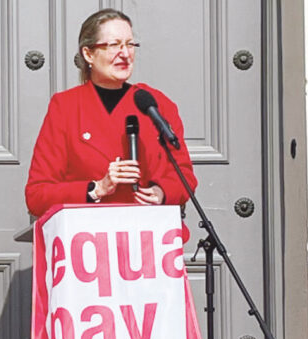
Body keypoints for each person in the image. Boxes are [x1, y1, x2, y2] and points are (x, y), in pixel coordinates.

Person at [25, 9, 197, 218]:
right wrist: (97, 188)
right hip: (89, 237)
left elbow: (184, 175)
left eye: (130, 44)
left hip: (148, 235)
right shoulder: (66, 107)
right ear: (88, 54)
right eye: (114, 45)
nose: (125, 54)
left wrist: (162, 192)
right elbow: (37, 195)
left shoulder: (156, 104)